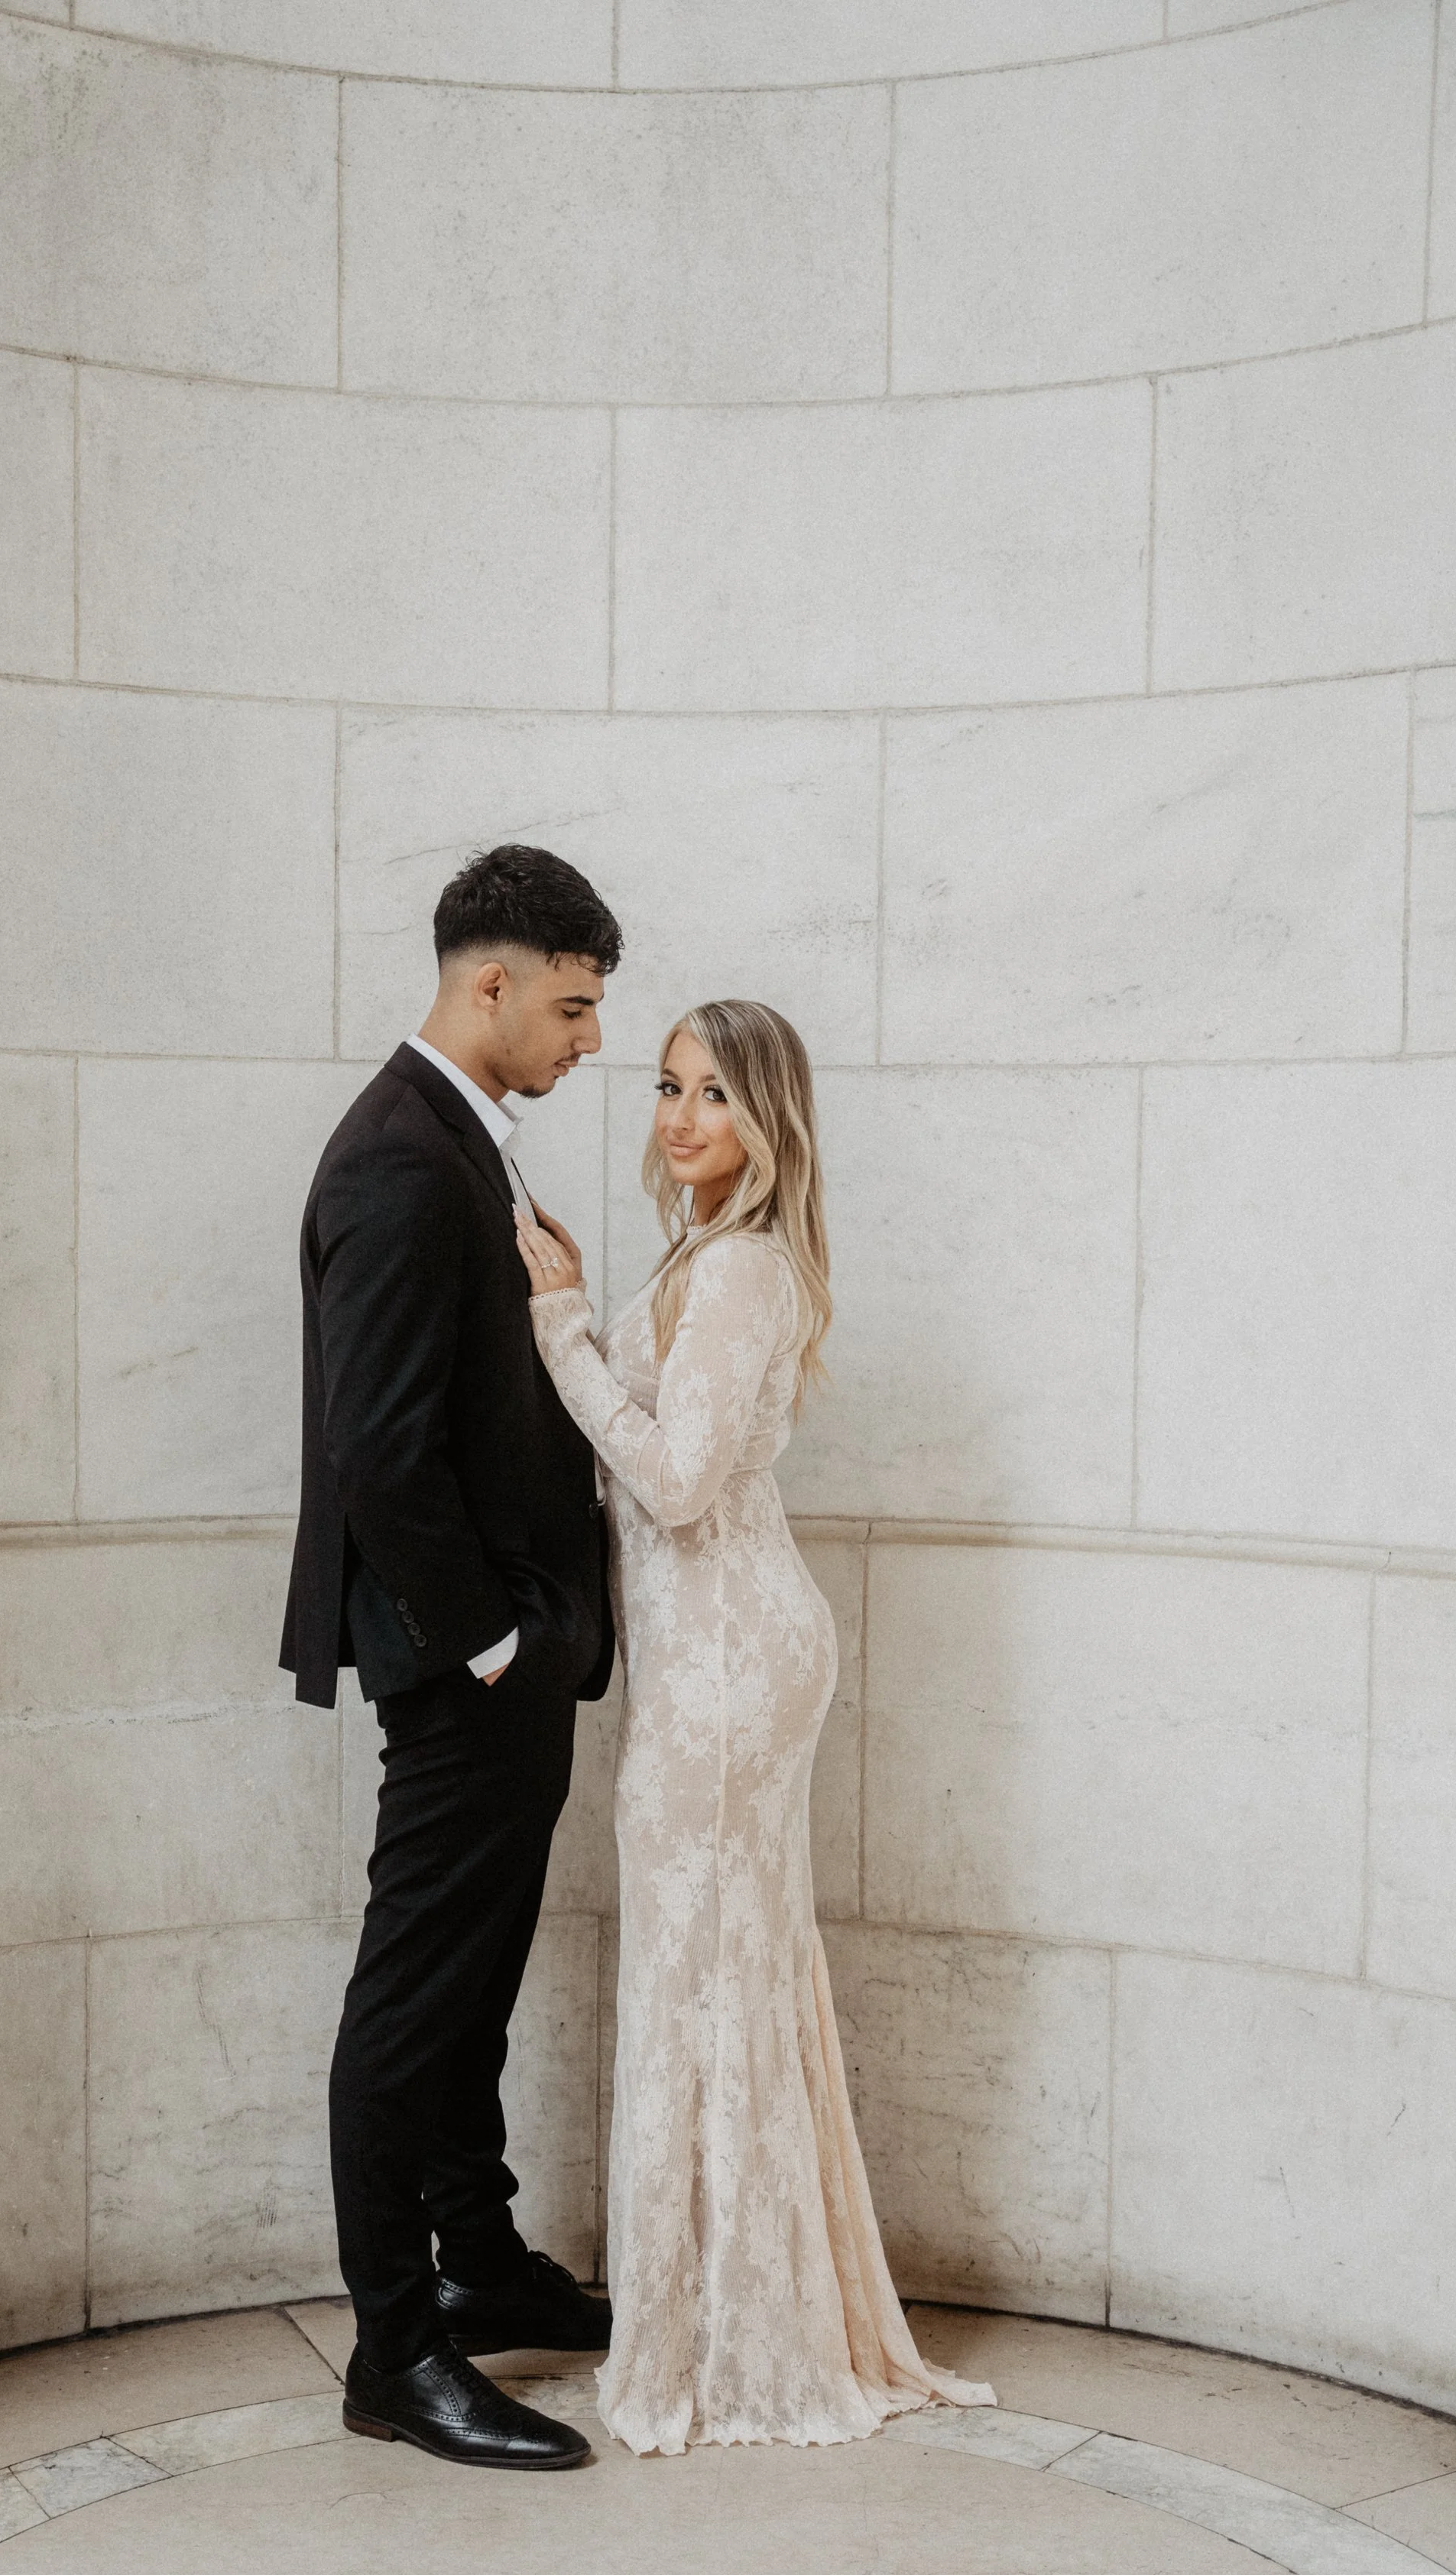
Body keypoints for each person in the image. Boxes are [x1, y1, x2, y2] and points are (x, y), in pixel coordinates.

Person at [514, 999, 997, 2453]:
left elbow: (671, 1485)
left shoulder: (739, 1275)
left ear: (767, 1119)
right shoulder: (710, 1257)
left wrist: (560, 1333)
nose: (678, 1117)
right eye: (667, 1086)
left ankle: (727, 2342)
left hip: (731, 1658)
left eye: (713, 1095)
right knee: (712, 1970)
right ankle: (726, 2309)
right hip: (712, 1650)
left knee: (699, 1976)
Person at [281, 845, 621, 2473]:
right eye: (570, 1005)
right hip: (464, 1657)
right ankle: (393, 2345)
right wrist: (489, 1642)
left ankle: (478, 2262)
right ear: (487, 983)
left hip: (513, 1649)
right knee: (411, 1996)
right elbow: (380, 1446)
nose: (589, 1040)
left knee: (471, 1970)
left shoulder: (454, 1141)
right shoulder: (400, 1159)